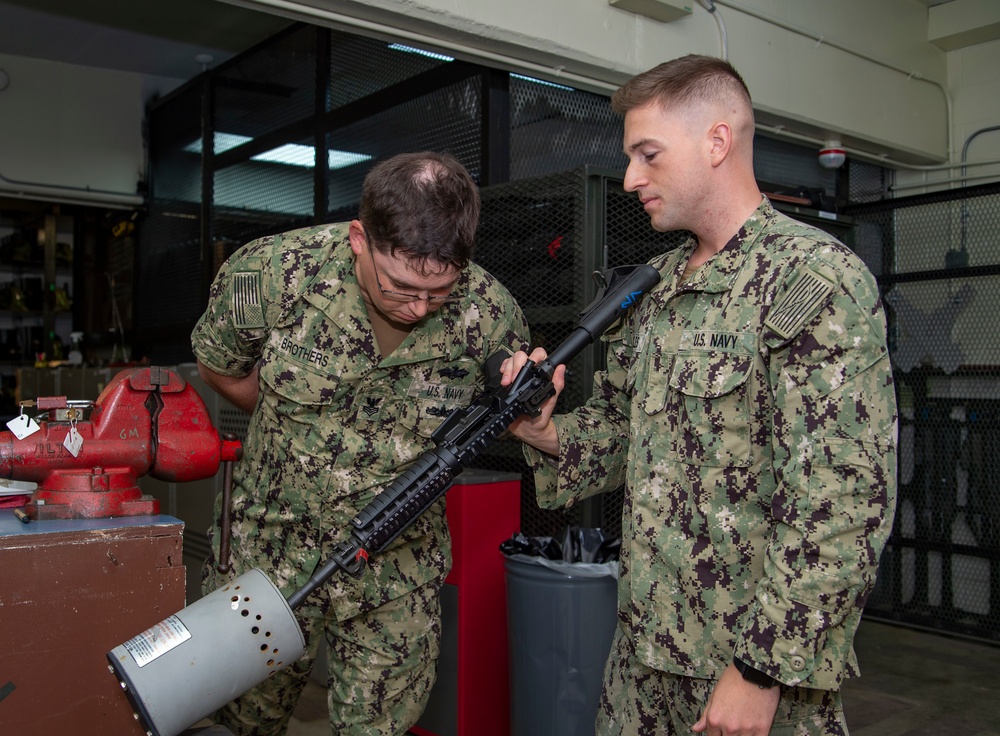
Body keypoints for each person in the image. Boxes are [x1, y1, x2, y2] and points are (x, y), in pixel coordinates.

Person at [502, 55, 897, 736]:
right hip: (642, 659)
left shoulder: (812, 281)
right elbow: (622, 436)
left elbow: (843, 500)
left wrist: (761, 671)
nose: (630, 179)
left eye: (647, 154)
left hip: (747, 672)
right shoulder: (651, 287)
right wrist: (543, 429)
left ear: (716, 142)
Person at [191, 150, 530, 736]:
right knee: (240, 719)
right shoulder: (273, 274)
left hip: (397, 566)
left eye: (439, 291)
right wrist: (296, 432)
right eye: (399, 285)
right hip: (270, 550)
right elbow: (219, 365)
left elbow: (510, 401)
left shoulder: (491, 313)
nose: (419, 307)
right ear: (358, 239)